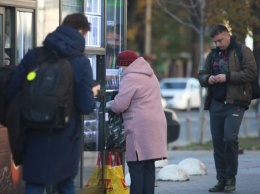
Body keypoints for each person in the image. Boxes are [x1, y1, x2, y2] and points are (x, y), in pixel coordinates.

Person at [6, 13, 100, 194]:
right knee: (65, 184)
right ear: (81, 32)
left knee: (34, 183)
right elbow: (85, 105)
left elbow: (12, 91)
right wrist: (92, 92)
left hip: (33, 132)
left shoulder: (35, 55)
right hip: (66, 134)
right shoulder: (80, 62)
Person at [197, 24, 257, 192]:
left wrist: (227, 77)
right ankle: (221, 179)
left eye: (219, 40)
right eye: (215, 42)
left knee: (229, 139)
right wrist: (208, 78)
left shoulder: (242, 50)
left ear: (227, 35)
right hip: (216, 103)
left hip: (235, 102)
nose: (217, 44)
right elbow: (201, 74)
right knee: (217, 143)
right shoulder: (213, 54)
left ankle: (231, 178)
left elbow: (251, 72)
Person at [107, 50, 167, 194]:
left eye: (120, 67)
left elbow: (120, 105)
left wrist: (108, 105)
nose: (120, 71)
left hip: (139, 126)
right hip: (155, 125)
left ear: (125, 65)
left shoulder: (131, 78)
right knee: (148, 165)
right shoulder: (151, 75)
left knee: (136, 166)